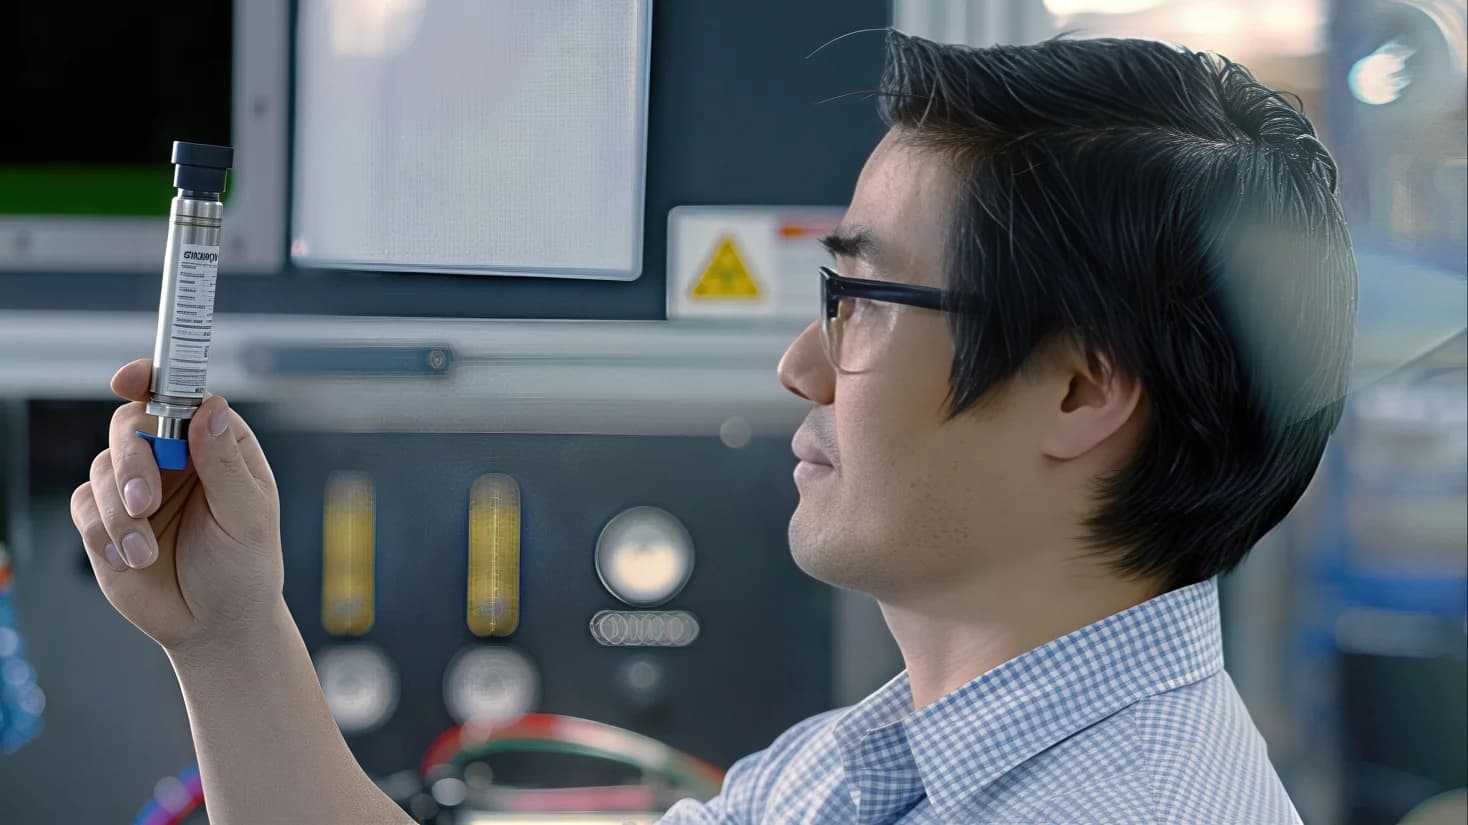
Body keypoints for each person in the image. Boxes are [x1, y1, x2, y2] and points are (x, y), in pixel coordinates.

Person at [71, 31, 1354, 825]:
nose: (799, 363)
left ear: (1079, 390)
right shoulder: (874, 762)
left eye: (858, 302)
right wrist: (228, 632)